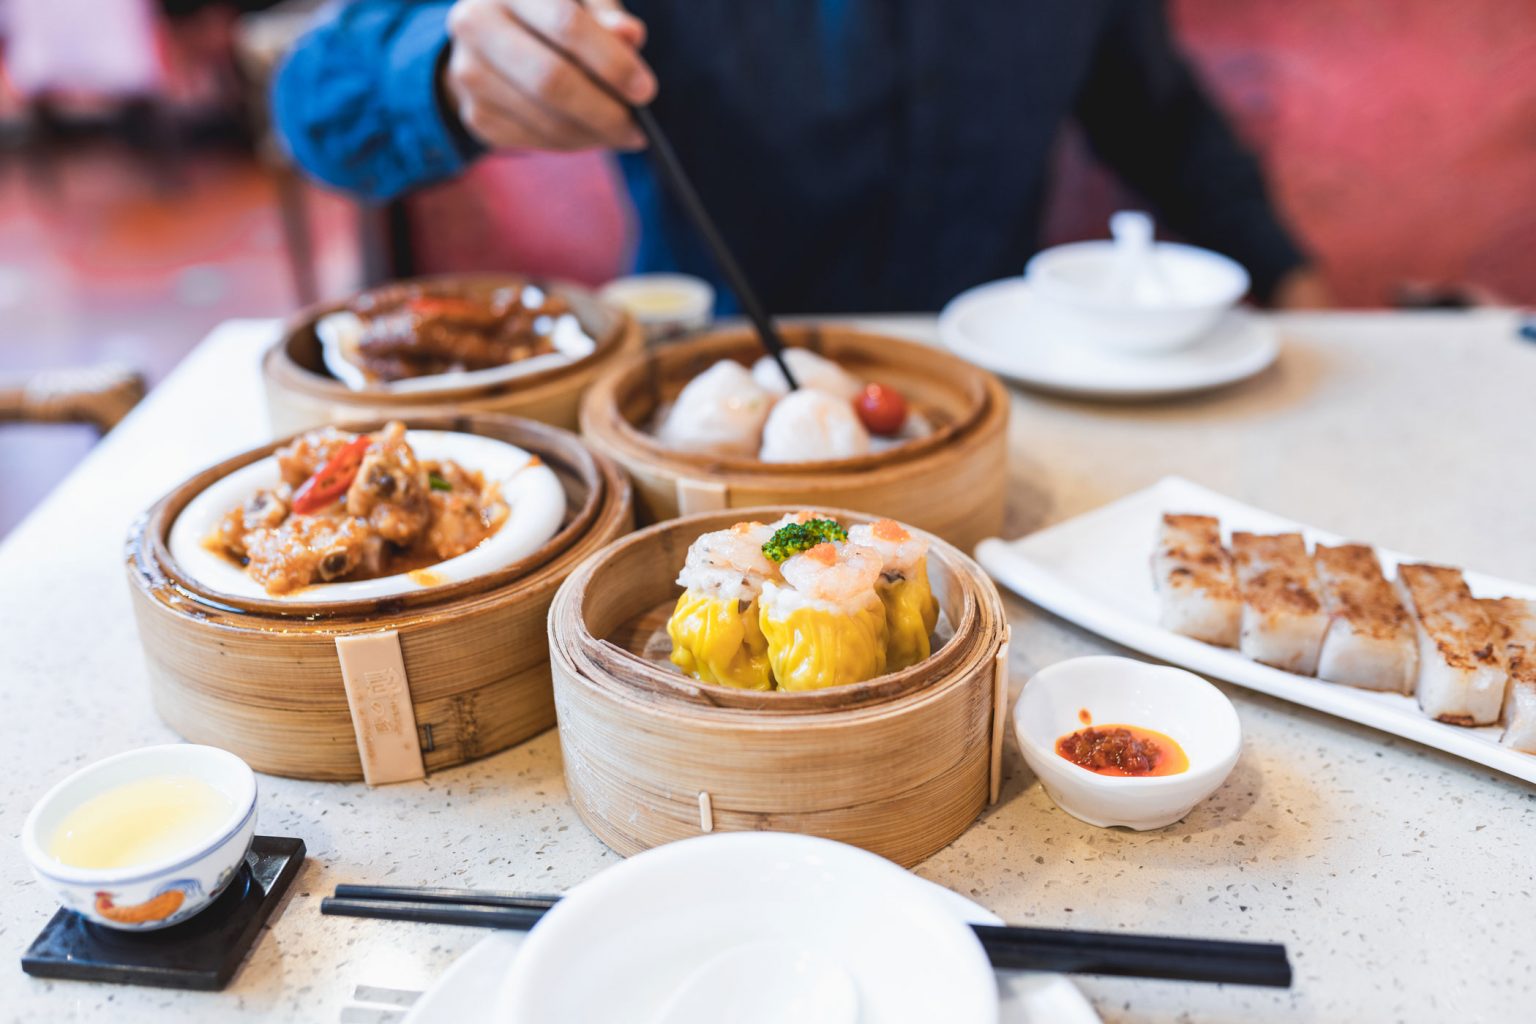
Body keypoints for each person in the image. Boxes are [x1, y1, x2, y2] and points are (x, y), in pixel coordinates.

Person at [274, 1, 1331, 313]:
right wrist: (449, 72)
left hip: (997, 398)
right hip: (700, 407)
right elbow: (318, 102)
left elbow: (1156, 115)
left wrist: (1297, 279)